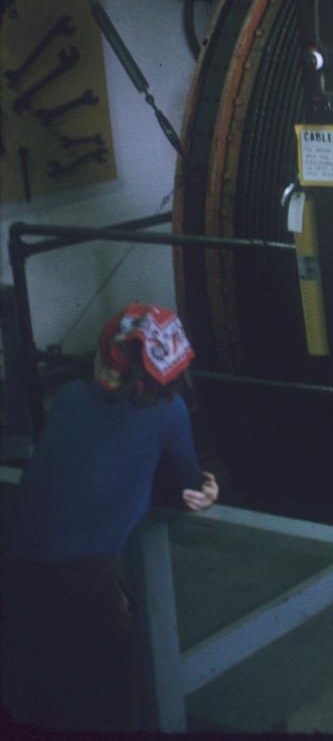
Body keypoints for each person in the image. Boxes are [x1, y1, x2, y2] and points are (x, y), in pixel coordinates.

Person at [1, 304, 218, 731]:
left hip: (15, 569)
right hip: (85, 581)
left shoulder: (68, 397)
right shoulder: (169, 412)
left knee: (37, 704)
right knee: (108, 710)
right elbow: (191, 487)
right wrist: (207, 488)